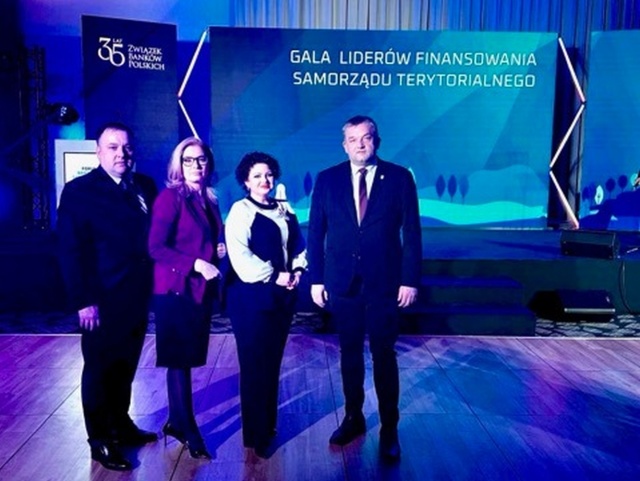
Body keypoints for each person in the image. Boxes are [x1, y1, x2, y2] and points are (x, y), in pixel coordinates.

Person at [307, 115, 422, 463]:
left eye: (366, 137)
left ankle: (389, 429)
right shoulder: (327, 179)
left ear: (377, 141)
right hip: (342, 282)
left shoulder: (400, 178)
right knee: (349, 354)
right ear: (344, 145)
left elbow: (412, 233)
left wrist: (409, 279)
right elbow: (316, 232)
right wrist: (316, 279)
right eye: (353, 139)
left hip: (385, 283)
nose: (360, 144)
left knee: (384, 355)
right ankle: (353, 418)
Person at [56, 122, 159, 471]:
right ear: (98, 152)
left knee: (126, 364)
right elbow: (70, 250)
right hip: (100, 300)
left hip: (136, 295)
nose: (121, 154)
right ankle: (100, 440)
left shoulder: (144, 185)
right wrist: (83, 300)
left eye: (126, 147)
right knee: (99, 369)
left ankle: (121, 423)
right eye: (113, 147)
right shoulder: (79, 191)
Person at [224, 151, 307, 458]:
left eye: (269, 174)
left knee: (271, 363)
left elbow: (298, 245)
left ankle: (267, 426)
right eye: (257, 175)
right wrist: (277, 276)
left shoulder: (284, 209)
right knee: (254, 365)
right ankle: (256, 435)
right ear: (246, 181)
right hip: (251, 301)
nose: (265, 180)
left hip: (281, 299)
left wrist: (297, 270)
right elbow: (241, 260)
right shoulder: (240, 210)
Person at [148, 137, 226, 460]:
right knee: (179, 360)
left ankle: (175, 422)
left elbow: (202, 239)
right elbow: (156, 247)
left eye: (201, 159)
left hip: (198, 291)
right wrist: (196, 263)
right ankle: (188, 428)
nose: (196, 165)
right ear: (178, 165)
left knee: (186, 358)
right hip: (174, 290)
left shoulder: (209, 198)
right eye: (189, 160)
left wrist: (217, 250)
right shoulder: (170, 198)